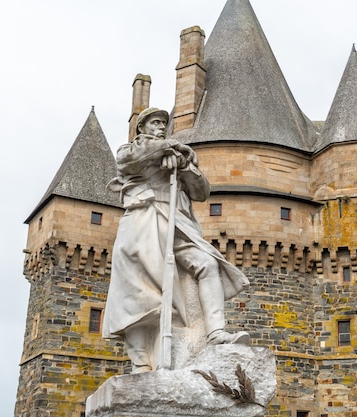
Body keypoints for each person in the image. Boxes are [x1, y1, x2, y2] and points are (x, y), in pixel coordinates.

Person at [102, 107, 250, 373]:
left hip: (177, 223)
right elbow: (128, 160)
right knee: (137, 294)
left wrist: (185, 165)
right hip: (143, 221)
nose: (160, 127)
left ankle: (216, 332)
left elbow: (202, 191)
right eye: (155, 123)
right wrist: (167, 148)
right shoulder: (131, 149)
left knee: (207, 263)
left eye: (163, 123)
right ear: (142, 128)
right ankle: (140, 362)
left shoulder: (179, 155)